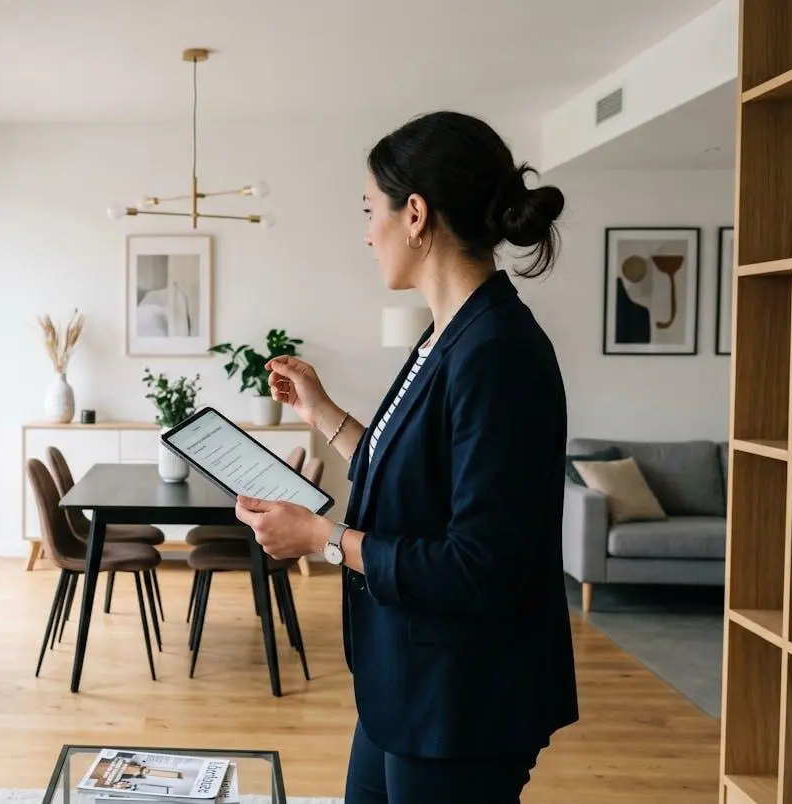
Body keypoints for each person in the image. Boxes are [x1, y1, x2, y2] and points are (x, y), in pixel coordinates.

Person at [233, 110, 579, 803]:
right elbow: (413, 473)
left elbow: (479, 566)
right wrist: (322, 412)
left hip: (462, 700)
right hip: (408, 679)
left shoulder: (498, 353)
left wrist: (323, 538)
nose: (367, 233)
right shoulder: (447, 335)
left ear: (415, 214)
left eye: (371, 211)